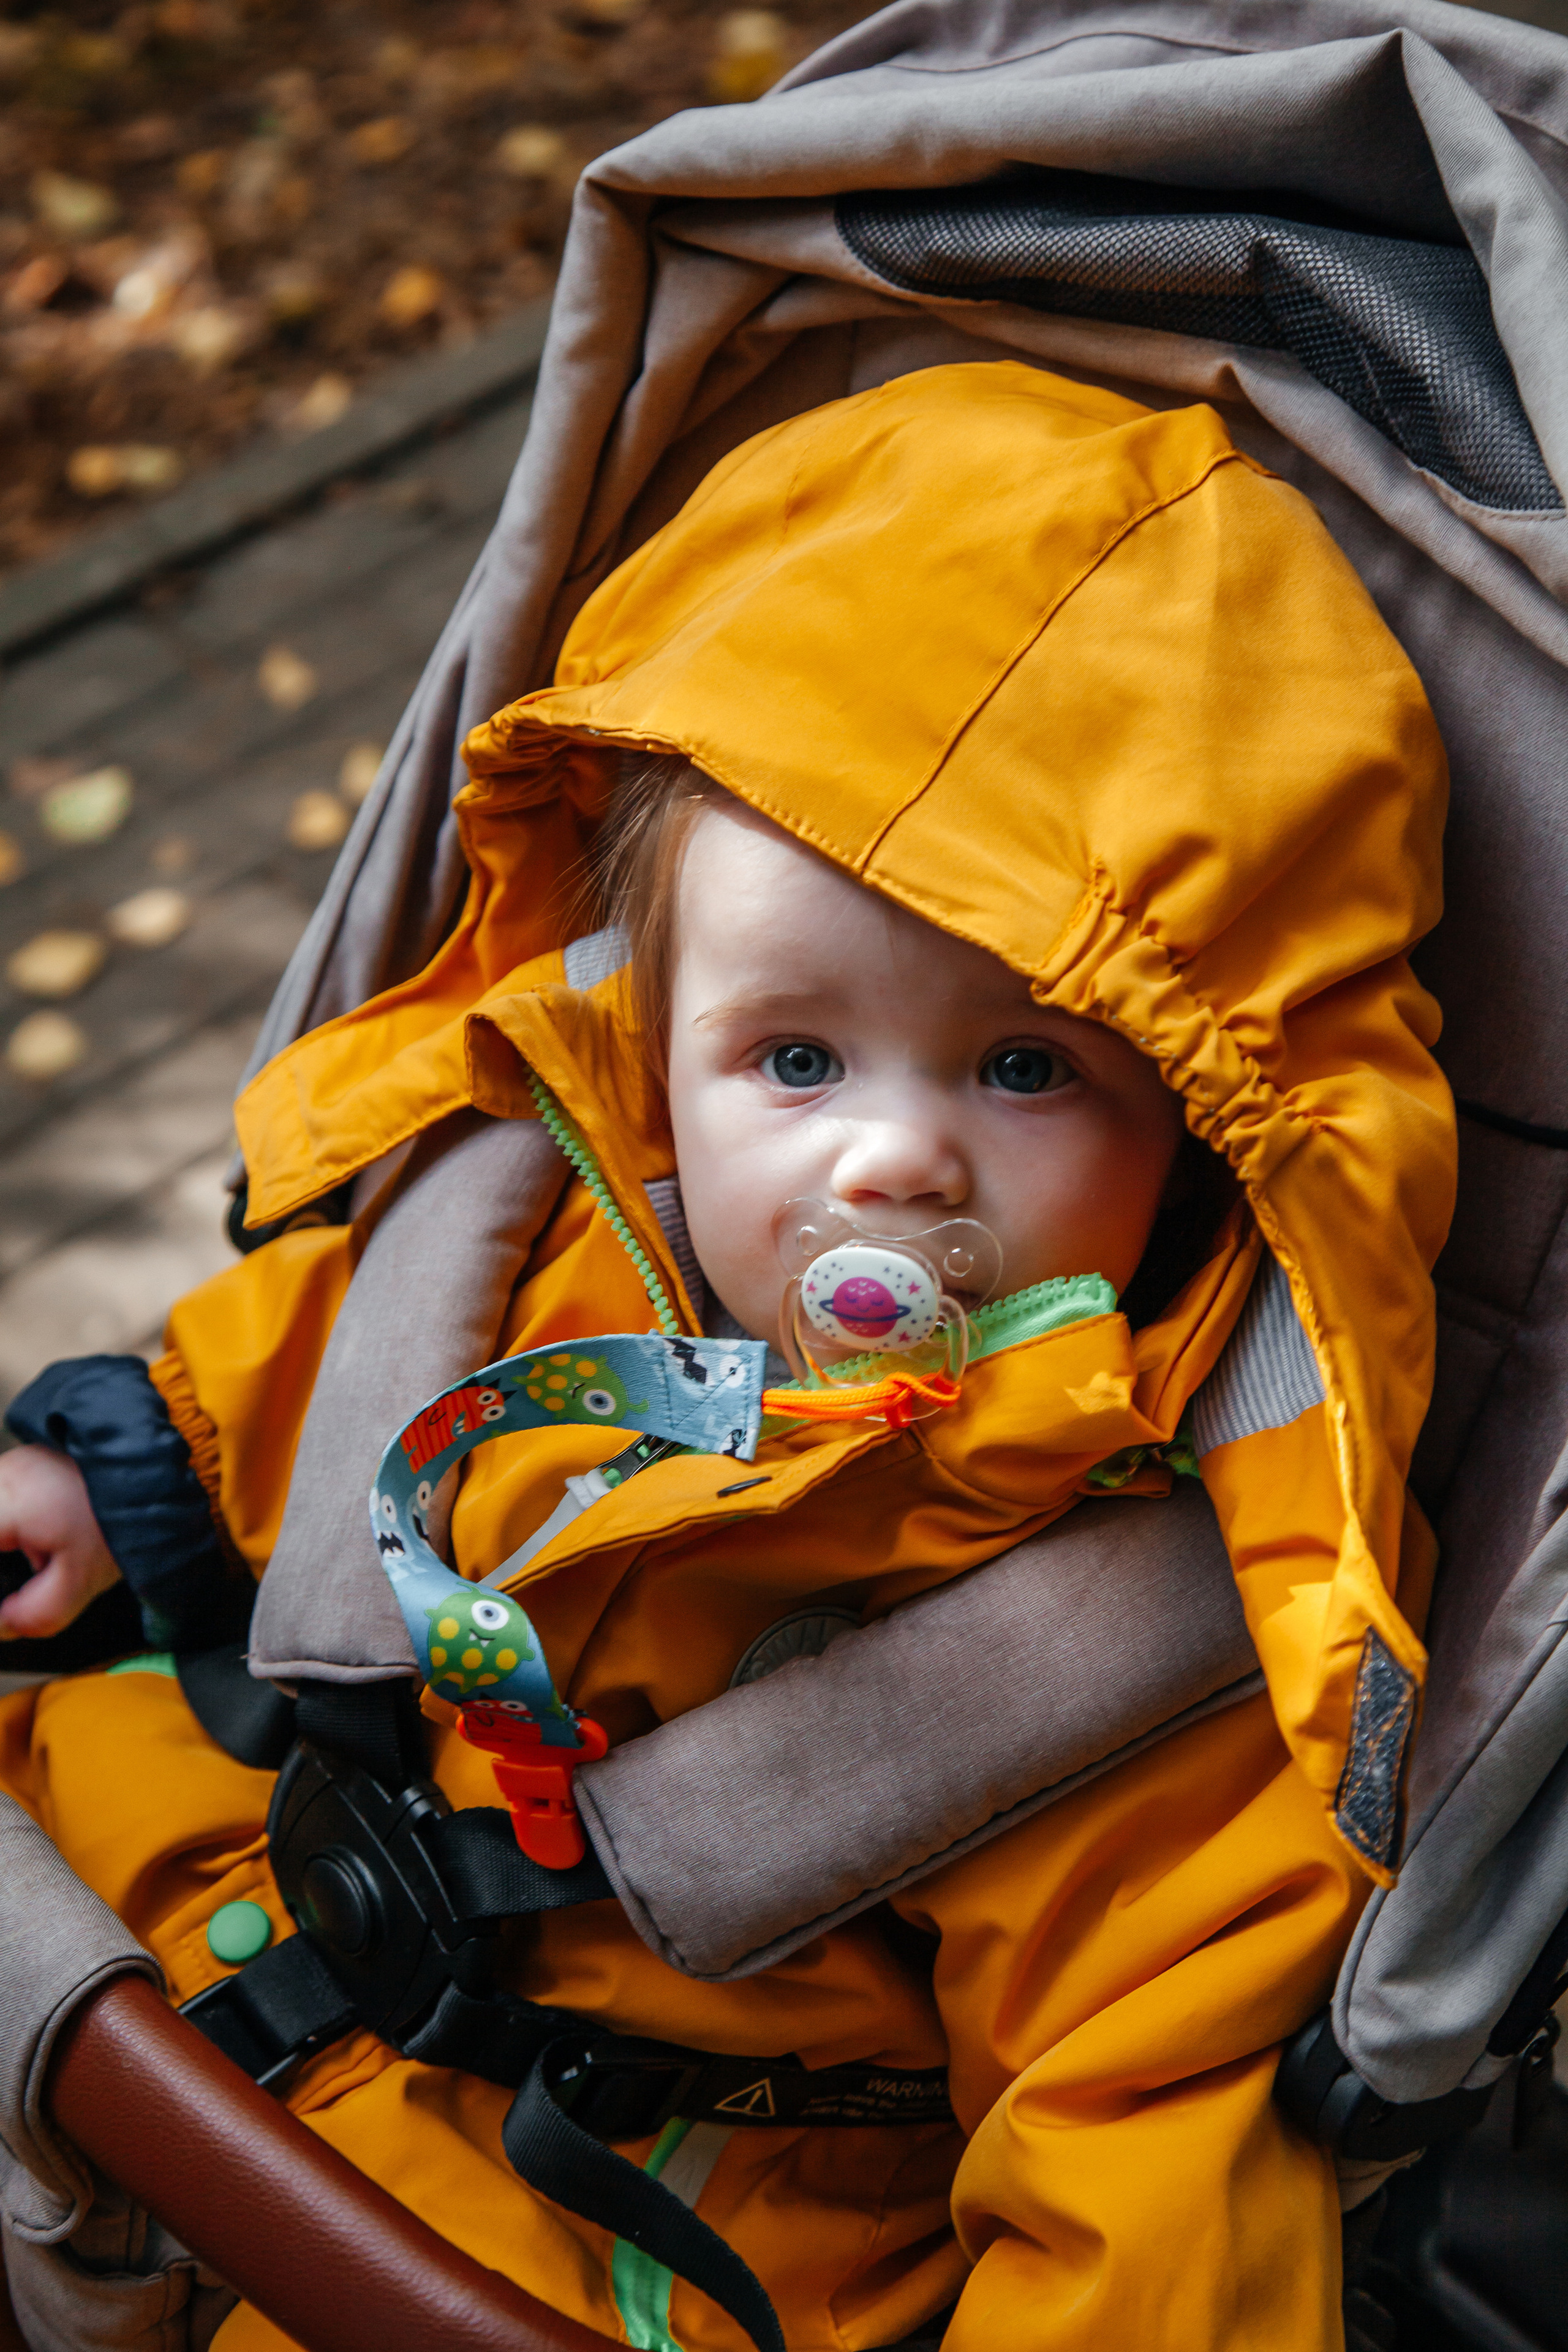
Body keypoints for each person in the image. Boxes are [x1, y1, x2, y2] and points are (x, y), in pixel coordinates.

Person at [0, 361, 1453, 2349]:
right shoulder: (554, 1232)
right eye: (795, 1057)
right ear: (662, 1047)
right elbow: (303, 1372)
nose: (888, 1150)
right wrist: (116, 1478)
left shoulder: (1158, 1651)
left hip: (611, 2205)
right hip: (196, 1876)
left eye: (1027, 1067)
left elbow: (1134, 2149)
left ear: (1207, 1123)